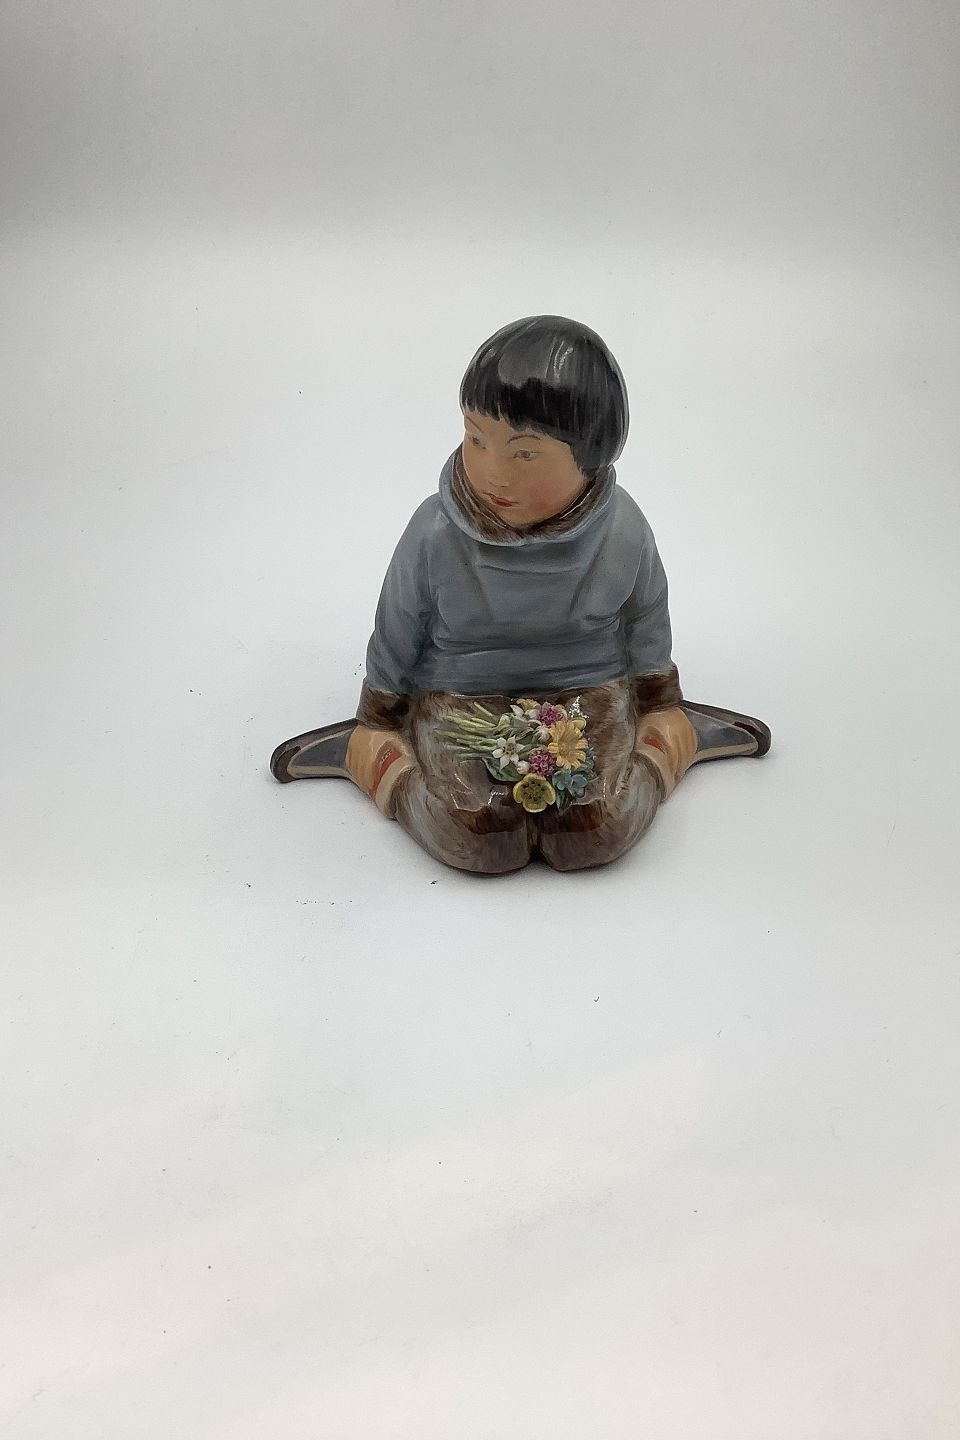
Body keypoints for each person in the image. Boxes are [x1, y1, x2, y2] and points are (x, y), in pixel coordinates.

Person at [270, 315, 770, 873]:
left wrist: (657, 701)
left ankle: (670, 743)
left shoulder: (622, 529)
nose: (492, 471)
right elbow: (397, 626)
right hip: (459, 693)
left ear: (592, 456)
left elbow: (646, 617)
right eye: (475, 438)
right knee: (479, 834)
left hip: (588, 690)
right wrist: (379, 715)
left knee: (593, 830)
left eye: (524, 453)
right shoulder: (434, 532)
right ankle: (372, 758)